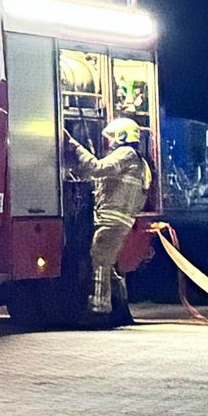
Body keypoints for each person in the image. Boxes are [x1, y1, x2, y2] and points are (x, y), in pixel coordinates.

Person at [66, 117, 152, 314]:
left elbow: (98, 169)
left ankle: (99, 307)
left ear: (122, 136)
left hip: (111, 220)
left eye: (112, 138)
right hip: (121, 220)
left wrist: (74, 146)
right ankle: (119, 306)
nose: (110, 142)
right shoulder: (138, 160)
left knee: (100, 260)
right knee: (110, 265)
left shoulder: (126, 154)